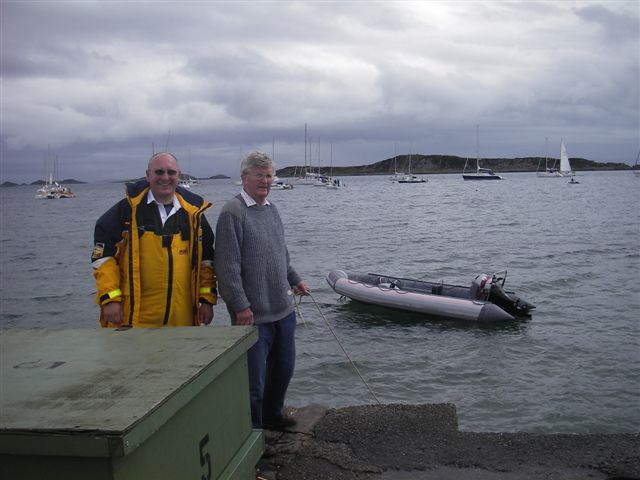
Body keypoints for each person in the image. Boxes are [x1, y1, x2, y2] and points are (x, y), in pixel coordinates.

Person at [214, 151, 310, 431]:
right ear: (244, 177)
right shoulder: (232, 213)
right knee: (253, 383)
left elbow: (281, 255)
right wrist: (240, 306)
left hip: (283, 310)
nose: (265, 181)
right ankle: (253, 433)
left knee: (283, 370)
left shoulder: (272, 210)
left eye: (269, 175)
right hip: (253, 316)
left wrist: (295, 279)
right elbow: (227, 268)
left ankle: (272, 416)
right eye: (259, 175)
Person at [92, 152, 217, 327]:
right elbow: (104, 258)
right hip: (134, 316)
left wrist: (207, 300)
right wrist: (110, 298)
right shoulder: (126, 212)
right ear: (147, 175)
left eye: (171, 172)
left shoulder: (194, 215)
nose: (165, 177)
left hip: (182, 317)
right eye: (159, 172)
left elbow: (206, 261)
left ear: (179, 175)